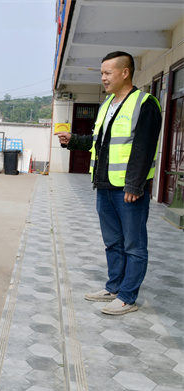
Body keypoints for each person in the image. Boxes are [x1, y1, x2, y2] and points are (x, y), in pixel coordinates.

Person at [55, 51, 162, 315]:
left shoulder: (145, 103)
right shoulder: (107, 105)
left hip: (128, 190)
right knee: (112, 242)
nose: (103, 78)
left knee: (134, 245)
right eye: (101, 73)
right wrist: (74, 140)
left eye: (107, 72)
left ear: (125, 72)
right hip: (104, 185)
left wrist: (134, 186)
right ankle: (114, 287)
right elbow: (99, 142)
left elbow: (144, 148)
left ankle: (127, 296)